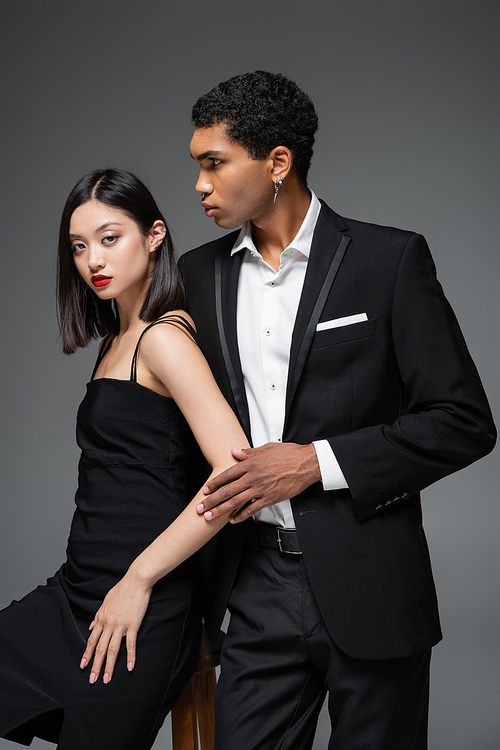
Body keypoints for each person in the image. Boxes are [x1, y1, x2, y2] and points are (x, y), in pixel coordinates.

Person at [179, 71, 497, 750]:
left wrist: (314, 464)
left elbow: (463, 419)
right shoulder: (197, 275)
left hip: (373, 581)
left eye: (214, 163)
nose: (199, 185)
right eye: (196, 166)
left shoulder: (388, 260)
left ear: (277, 162)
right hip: (254, 586)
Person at [0, 168, 248, 749]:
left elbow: (234, 474)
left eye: (110, 238)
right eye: (80, 247)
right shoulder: (117, 340)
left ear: (155, 235)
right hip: (78, 590)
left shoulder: (164, 338)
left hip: (144, 604)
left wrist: (137, 581)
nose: (93, 261)